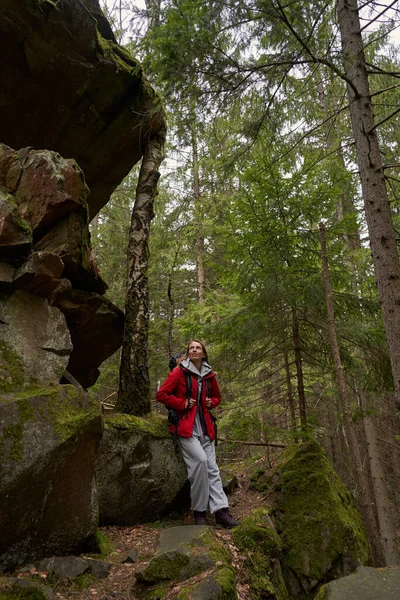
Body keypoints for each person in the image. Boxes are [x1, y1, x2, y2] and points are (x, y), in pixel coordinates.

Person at [156, 339, 240, 528]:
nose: (194, 350)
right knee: (200, 463)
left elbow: (217, 397)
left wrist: (212, 403)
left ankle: (222, 513)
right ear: (188, 353)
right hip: (186, 428)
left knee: (213, 469)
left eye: (198, 348)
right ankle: (199, 512)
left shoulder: (209, 374)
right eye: (191, 348)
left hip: (206, 427)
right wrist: (182, 404)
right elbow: (161, 394)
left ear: (203, 353)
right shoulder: (179, 372)